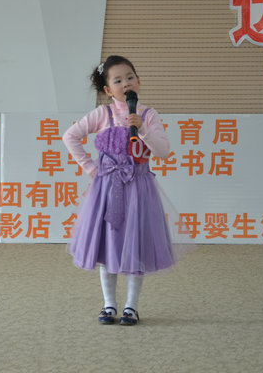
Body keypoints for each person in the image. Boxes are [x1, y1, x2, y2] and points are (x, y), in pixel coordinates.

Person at [62, 55, 178, 326]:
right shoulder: (102, 114)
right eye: (117, 80)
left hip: (138, 189)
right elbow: (70, 136)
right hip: (107, 191)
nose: (125, 83)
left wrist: (143, 129)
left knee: (135, 245)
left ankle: (131, 307)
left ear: (138, 81)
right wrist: (91, 169)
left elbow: (163, 151)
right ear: (108, 89)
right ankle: (109, 304)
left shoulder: (148, 115)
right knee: (108, 246)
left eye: (130, 77)